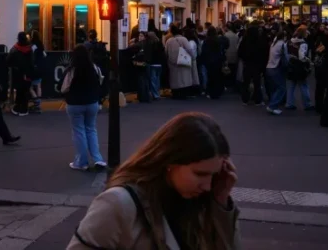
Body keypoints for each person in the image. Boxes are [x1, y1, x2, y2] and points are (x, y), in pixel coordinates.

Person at [68, 112, 240, 249]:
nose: (208, 186)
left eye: (213, 175)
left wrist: (221, 204)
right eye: (200, 174)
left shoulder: (204, 203)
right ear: (170, 162)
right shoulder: (118, 204)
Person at [61, 45, 107, 170]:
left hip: (75, 103)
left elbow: (64, 87)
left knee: (78, 131)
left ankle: (81, 162)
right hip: (92, 102)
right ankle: (98, 159)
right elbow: (100, 82)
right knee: (91, 129)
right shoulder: (94, 68)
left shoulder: (72, 70)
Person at [285, 26, 314, 111]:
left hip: (291, 64)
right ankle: (307, 104)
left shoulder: (290, 41)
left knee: (291, 86)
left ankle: (289, 103)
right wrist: (308, 61)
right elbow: (301, 57)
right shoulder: (303, 43)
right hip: (300, 67)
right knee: (304, 85)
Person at [238, 25, 268, 106]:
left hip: (247, 64)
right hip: (257, 65)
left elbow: (240, 52)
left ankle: (245, 99)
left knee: (246, 83)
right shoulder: (260, 41)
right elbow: (264, 53)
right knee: (257, 83)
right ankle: (257, 99)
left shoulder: (245, 40)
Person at [7, 32, 35, 116]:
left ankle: (17, 108)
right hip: (27, 74)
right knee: (25, 91)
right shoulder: (29, 49)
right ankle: (24, 109)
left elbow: (8, 60)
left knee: (19, 91)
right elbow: (32, 62)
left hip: (18, 73)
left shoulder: (15, 48)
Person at [165, 24, 195, 99]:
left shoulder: (169, 41)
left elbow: (166, 52)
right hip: (183, 61)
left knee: (175, 79)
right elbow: (189, 50)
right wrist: (193, 57)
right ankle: (184, 93)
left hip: (172, 63)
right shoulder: (184, 39)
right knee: (184, 78)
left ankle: (175, 93)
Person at [265, 30, 288, 115]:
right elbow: (285, 57)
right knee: (281, 88)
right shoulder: (282, 44)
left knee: (274, 88)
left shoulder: (273, 43)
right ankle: (273, 106)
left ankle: (273, 105)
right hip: (276, 67)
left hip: (269, 67)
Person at [29, 30, 46, 114]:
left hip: (34, 67)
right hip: (41, 67)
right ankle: (38, 104)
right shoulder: (41, 45)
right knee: (38, 86)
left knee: (30, 87)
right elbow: (44, 55)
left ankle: (36, 104)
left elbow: (31, 56)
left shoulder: (32, 46)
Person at [146, 31, 165, 100]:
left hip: (153, 63)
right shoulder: (159, 42)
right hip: (159, 63)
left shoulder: (150, 43)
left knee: (153, 79)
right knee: (157, 79)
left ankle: (155, 94)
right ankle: (157, 92)